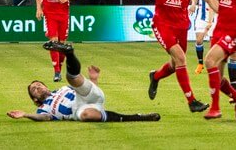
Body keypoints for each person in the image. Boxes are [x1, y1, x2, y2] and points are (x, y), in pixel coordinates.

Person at [112, 0, 209, 112]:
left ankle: (155, 76)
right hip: (162, 24)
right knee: (181, 58)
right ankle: (192, 101)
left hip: (181, 25)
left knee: (175, 64)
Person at [8, 41, 159, 122]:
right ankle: (137, 117)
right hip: (77, 110)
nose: (39, 88)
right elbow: (43, 118)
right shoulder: (43, 109)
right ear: (35, 99)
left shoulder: (62, 89)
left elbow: (91, 92)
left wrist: (93, 80)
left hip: (84, 96)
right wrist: (26, 115)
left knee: (71, 78)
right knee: (87, 115)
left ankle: (69, 53)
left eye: (39, 85)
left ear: (46, 86)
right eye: (35, 89)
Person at [36, 0, 80, 81]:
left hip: (63, 14)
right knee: (54, 42)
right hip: (50, 14)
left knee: (62, 44)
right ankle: (56, 72)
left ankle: (59, 67)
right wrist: (39, 8)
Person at [190, 0, 219, 73]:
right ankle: (200, 63)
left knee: (213, 42)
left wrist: (210, 21)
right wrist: (193, 5)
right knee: (198, 40)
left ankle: (212, 64)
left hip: (214, 16)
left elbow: (213, 2)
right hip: (201, 16)